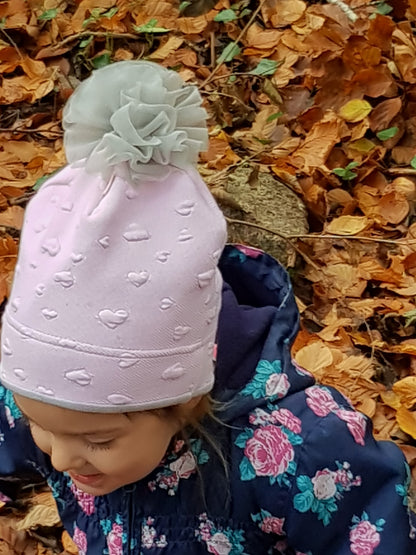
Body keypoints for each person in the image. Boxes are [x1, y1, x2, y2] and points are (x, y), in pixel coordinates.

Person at [0, 61, 414, 555]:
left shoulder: (299, 448)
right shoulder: (53, 410)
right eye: (39, 427)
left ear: (185, 400)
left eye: (100, 440)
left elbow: (370, 529)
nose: (62, 457)